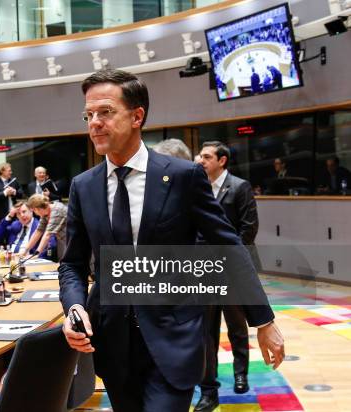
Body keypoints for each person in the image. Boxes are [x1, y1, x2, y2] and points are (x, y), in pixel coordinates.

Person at [58, 69, 284, 411]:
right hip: (114, 343)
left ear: (137, 116)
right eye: (88, 115)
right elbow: (73, 264)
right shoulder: (83, 186)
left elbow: (228, 245)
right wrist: (74, 307)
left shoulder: (182, 176)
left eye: (105, 112)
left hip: (173, 338)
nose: (94, 123)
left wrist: (263, 320)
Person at [195, 141, 260, 411]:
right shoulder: (195, 186)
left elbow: (249, 229)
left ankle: (240, 373)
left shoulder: (240, 187)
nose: (201, 161)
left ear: (222, 161)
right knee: (205, 332)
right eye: (200, 156)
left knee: (236, 325)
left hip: (232, 271)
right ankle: (209, 390)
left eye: (207, 157)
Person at [0, 163, 23, 248]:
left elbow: (21, 194)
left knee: (12, 238)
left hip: (13, 215)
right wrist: (4, 193)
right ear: (2, 171)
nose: (11, 172)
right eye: (9, 171)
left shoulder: (13, 181)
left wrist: (14, 192)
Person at [24, 194, 67, 261]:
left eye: (33, 210)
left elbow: (47, 235)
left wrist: (36, 254)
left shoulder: (57, 210)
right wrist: (25, 251)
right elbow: (38, 231)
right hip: (64, 241)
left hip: (75, 241)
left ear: (36, 209)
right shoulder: (45, 213)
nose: (35, 213)